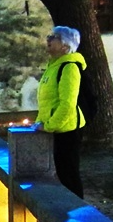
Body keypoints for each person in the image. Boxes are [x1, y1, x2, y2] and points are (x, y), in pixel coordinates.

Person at [33, 26, 87, 198]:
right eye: (49, 35)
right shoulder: (53, 66)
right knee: (62, 174)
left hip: (67, 129)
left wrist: (49, 126)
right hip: (55, 128)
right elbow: (48, 101)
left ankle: (76, 213)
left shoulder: (69, 67)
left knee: (69, 175)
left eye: (54, 37)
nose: (48, 39)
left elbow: (67, 104)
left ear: (65, 46)